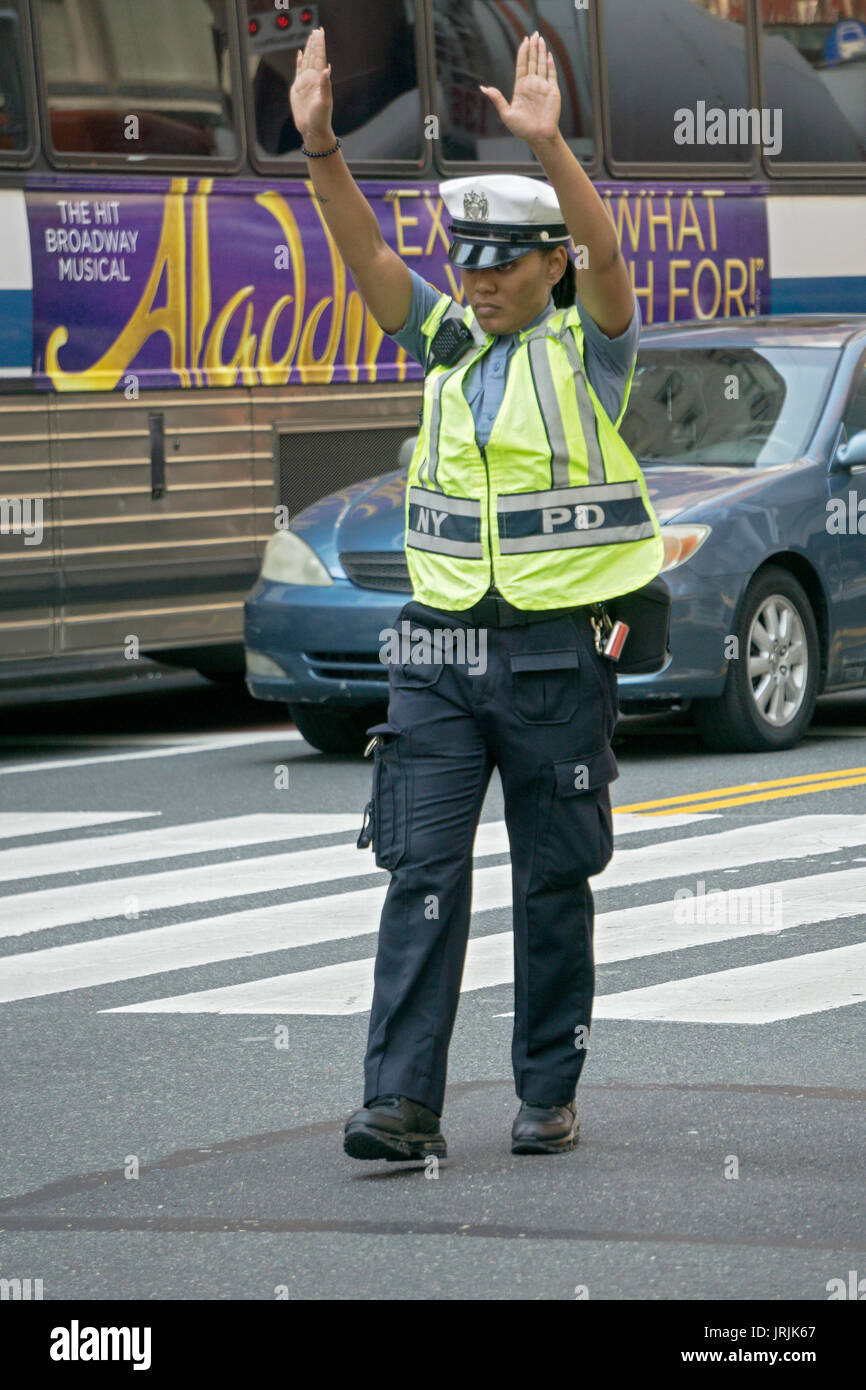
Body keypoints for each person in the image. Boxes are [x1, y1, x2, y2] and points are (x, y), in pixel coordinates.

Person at [290, 27, 664, 1159]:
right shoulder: (446, 346)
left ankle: (546, 1088)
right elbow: (364, 263)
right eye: (469, 259)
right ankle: (400, 1104)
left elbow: (608, 260)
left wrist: (550, 148)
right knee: (421, 875)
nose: (481, 280)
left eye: (505, 261)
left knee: (552, 886)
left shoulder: (589, 354)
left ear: (549, 262)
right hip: (439, 660)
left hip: (556, 657)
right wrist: (319, 155)